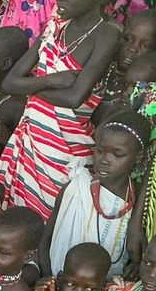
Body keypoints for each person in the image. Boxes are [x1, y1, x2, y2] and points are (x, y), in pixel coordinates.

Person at [0, 0, 121, 222]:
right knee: (16, 220)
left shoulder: (107, 34)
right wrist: (51, 80)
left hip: (65, 152)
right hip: (31, 140)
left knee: (49, 220)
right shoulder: (54, 27)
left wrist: (32, 86)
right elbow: (9, 82)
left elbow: (74, 97)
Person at [41, 110, 149, 279]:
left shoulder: (137, 204)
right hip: (58, 283)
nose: (104, 160)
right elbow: (45, 240)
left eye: (117, 155)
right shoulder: (75, 188)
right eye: (99, 150)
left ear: (138, 157)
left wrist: (136, 266)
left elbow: (136, 254)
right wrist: (48, 279)